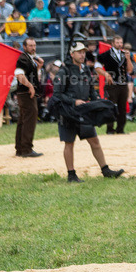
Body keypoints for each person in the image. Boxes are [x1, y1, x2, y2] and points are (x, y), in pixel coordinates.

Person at [51, 42, 124, 183]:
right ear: (72, 54)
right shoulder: (64, 71)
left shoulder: (85, 70)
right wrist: (74, 101)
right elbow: (57, 94)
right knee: (69, 143)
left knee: (94, 141)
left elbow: (91, 90)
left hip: (83, 112)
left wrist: (97, 101)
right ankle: (71, 175)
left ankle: (106, 170)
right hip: (68, 112)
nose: (82, 54)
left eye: (84, 52)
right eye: (79, 52)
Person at [95, 34, 133, 134]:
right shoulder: (106, 54)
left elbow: (130, 70)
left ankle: (120, 129)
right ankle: (110, 129)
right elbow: (97, 67)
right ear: (112, 43)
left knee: (122, 108)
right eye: (117, 42)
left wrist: (128, 58)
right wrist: (105, 74)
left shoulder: (124, 54)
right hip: (112, 84)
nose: (120, 45)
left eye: (121, 42)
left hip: (123, 84)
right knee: (111, 107)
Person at [13, 36, 43, 158]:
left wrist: (39, 67)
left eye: (34, 45)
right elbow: (19, 74)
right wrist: (30, 86)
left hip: (24, 93)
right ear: (24, 47)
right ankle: (26, 149)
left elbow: (32, 75)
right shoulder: (23, 58)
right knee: (30, 119)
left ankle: (20, 148)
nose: (33, 48)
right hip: (26, 93)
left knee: (23, 120)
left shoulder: (29, 59)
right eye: (30, 46)